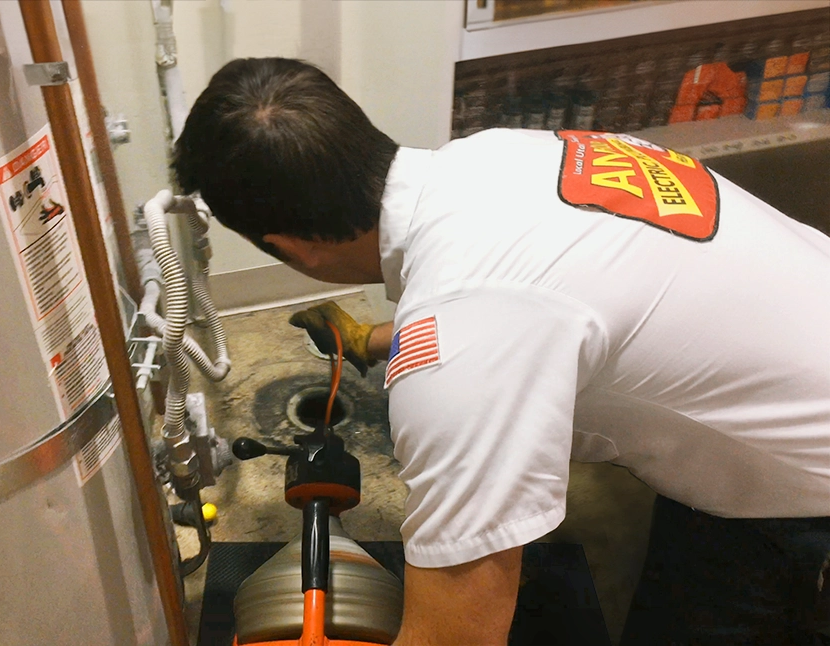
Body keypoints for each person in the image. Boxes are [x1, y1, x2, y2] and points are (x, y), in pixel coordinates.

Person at [173, 57, 830, 645]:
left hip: (805, 487)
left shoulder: (461, 342)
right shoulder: (496, 157)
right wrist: (371, 342)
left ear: (294, 249)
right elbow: (544, 301)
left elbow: (460, 633)